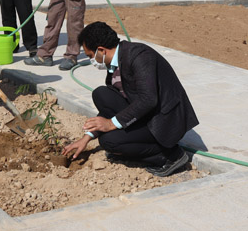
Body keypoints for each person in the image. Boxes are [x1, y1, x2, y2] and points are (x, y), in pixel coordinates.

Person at [61, 22, 198, 177]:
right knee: (101, 94)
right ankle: (134, 146)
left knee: (109, 141)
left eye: (90, 56)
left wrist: (111, 123)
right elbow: (110, 108)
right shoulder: (115, 63)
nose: (92, 60)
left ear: (101, 50)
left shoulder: (140, 56)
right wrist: (87, 138)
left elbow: (148, 100)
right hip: (147, 115)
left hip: (164, 121)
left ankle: (170, 156)